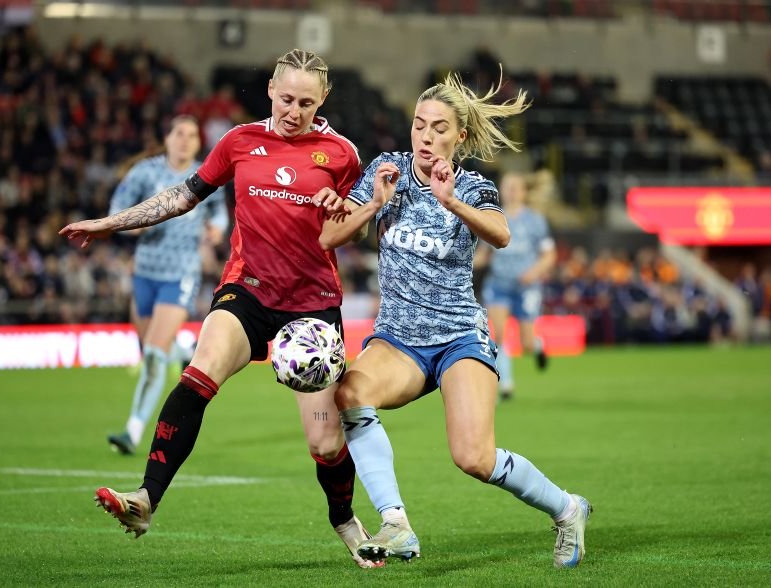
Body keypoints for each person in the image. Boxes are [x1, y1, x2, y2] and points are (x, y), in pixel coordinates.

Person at [60, 49, 381, 569]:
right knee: (198, 372)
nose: (293, 110)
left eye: (305, 102)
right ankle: (146, 499)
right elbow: (181, 197)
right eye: (285, 98)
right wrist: (106, 224)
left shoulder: (342, 154)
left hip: (312, 308)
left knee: (325, 442)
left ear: (322, 100)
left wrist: (347, 209)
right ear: (271, 91)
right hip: (246, 291)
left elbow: (354, 226)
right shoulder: (238, 142)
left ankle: (344, 519)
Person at [318, 73, 592, 568]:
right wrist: (375, 204)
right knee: (349, 394)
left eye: (438, 127)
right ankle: (395, 523)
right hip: (399, 339)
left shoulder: (473, 187)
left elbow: (502, 235)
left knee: (473, 458)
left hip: (460, 336)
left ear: (458, 137)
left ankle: (567, 508)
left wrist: (450, 201)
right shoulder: (387, 172)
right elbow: (329, 238)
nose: (424, 136)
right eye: (419, 125)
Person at [105, 115, 229, 456]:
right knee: (150, 348)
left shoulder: (206, 173)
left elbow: (219, 211)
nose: (185, 140)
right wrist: (134, 227)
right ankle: (185, 352)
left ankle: (132, 430)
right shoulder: (145, 172)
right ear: (167, 137)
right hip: (145, 272)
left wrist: (217, 228)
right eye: (179, 133)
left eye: (192, 135)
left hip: (180, 275)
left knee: (154, 357)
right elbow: (117, 209)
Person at [478, 171, 556, 400]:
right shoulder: (492, 217)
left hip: (526, 287)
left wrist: (534, 272)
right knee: (499, 334)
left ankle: (539, 347)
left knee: (527, 343)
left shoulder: (535, 220)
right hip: (499, 282)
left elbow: (549, 255)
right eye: (507, 187)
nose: (511, 191)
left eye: (515, 187)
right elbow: (484, 254)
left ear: (523, 192)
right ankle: (506, 384)